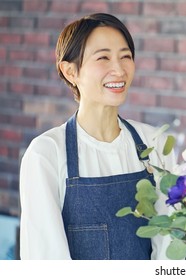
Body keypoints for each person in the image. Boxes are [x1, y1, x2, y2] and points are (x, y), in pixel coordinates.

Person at [19, 13, 174, 260]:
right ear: (70, 71)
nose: (119, 68)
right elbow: (45, 259)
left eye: (126, 56)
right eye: (103, 57)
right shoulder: (46, 153)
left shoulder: (155, 143)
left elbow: (169, 244)